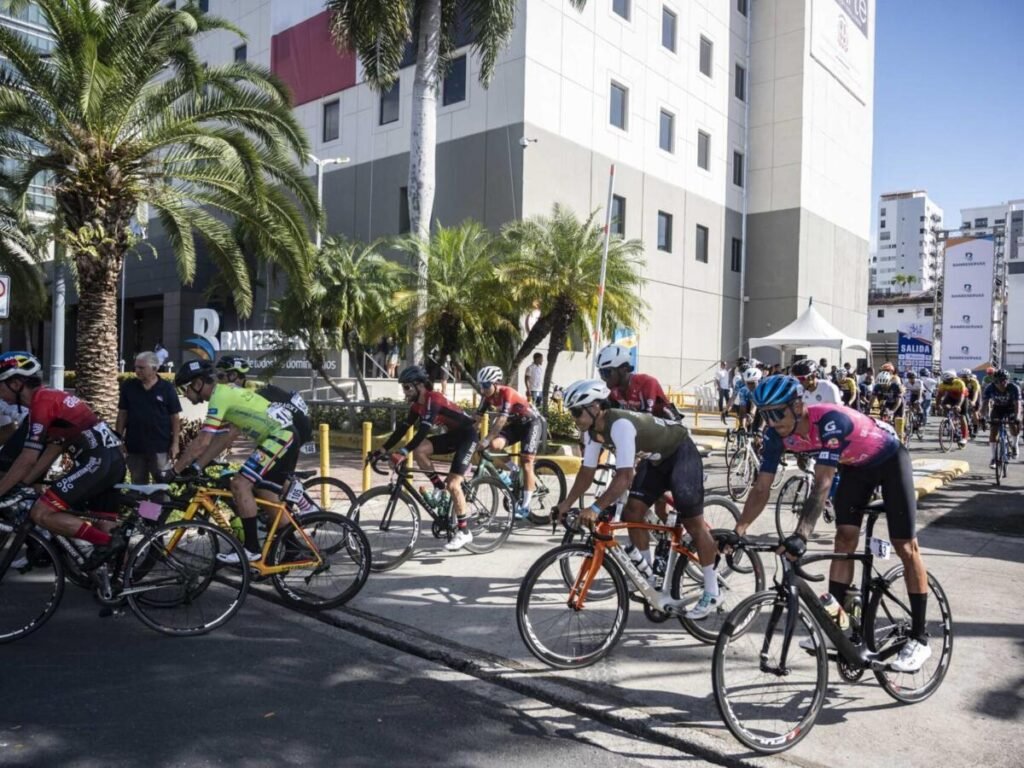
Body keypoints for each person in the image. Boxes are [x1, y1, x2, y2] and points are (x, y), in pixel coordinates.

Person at [729, 375, 933, 672]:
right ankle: (837, 628)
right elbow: (762, 487)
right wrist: (739, 530)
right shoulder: (775, 435)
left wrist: (801, 535)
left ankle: (919, 638)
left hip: (889, 459)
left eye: (777, 412)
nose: (772, 421)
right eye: (765, 414)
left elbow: (823, 483)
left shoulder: (830, 421)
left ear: (797, 405)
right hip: (856, 468)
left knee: (904, 545)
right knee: (844, 537)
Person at [553, 379, 720, 619]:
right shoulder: (592, 433)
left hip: (680, 453)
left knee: (693, 524)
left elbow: (624, 476)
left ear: (595, 407)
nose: (574, 418)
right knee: (633, 511)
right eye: (572, 413)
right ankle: (650, 577)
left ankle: (712, 591)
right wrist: (565, 504)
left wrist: (596, 507)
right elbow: (587, 472)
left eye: (577, 412)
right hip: (655, 461)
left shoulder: (620, 424)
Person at [0, 352, 127, 569]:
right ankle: (124, 587)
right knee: (104, 523)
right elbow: (52, 449)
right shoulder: (49, 399)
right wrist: (24, 485)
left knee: (41, 513)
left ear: (16, 383)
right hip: (111, 459)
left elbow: (28, 458)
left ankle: (107, 543)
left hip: (96, 461)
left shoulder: (42, 402)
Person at [173, 359, 299, 564]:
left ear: (197, 384)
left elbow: (203, 440)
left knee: (240, 484)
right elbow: (224, 438)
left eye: (185, 389)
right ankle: (295, 548)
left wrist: (175, 470)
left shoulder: (219, 397)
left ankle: (251, 548)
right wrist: (196, 466)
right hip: (282, 436)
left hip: (281, 436)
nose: (184, 395)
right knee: (266, 495)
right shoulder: (225, 394)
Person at [374, 365, 478, 552]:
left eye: (407, 387)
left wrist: (403, 452)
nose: (404, 391)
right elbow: (402, 429)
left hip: (467, 436)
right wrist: (381, 450)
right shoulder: (417, 405)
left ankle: (464, 531)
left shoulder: (433, 399)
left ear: (420, 385)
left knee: (454, 484)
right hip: (452, 436)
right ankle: (439, 487)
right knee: (420, 450)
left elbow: (422, 431)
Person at [475, 366, 544, 519]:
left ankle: (525, 506)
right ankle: (513, 469)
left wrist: (486, 439)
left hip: (532, 424)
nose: (483, 389)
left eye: (486, 385)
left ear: (495, 383)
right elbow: (477, 419)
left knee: (526, 462)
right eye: (481, 385)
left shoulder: (507, 392)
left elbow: (501, 420)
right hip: (516, 426)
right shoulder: (487, 397)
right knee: (494, 446)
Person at [213, 356, 314, 450]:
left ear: (233, 376)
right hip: (295, 430)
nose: (217, 381)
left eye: (220, 376)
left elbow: (232, 432)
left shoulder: (250, 393)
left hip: (292, 433)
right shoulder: (254, 387)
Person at [115, 351, 181, 484]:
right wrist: (118, 439)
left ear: (155, 368)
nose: (137, 371)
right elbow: (122, 414)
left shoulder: (167, 389)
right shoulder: (129, 386)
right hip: (135, 447)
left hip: (160, 448)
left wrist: (175, 443)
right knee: (138, 485)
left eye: (141, 368)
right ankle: (140, 506)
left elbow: (175, 417)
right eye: (136, 367)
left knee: (161, 486)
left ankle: (159, 506)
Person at [597, 343, 678, 419]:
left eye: (606, 372)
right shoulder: (613, 390)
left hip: (670, 426)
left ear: (623, 370)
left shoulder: (647, 382)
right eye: (600, 372)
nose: (603, 377)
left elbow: (647, 419)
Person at [981, 369, 1021, 465]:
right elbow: (985, 404)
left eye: (1005, 380)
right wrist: (983, 417)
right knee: (993, 431)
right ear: (995, 381)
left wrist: (1017, 417)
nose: (1003, 382)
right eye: (1000, 380)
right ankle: (994, 458)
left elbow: (1017, 404)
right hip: (998, 408)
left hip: (1011, 408)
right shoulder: (990, 388)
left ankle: (1015, 445)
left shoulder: (1014, 387)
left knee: (1013, 425)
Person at [935, 370, 968, 447]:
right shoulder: (942, 384)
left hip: (962, 397)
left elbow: (962, 396)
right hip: (950, 396)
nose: (946, 383)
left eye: (948, 381)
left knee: (962, 416)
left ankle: (964, 437)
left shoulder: (960, 383)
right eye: (945, 381)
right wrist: (937, 405)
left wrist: (959, 405)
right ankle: (949, 421)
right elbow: (939, 396)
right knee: (945, 406)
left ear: (953, 378)